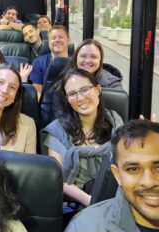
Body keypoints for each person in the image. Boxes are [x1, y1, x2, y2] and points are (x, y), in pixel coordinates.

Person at [41, 68, 123, 207]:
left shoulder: (117, 123)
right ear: (67, 99)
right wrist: (91, 202)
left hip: (118, 199)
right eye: (72, 94)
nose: (80, 98)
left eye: (85, 89)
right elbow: (59, 179)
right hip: (75, 205)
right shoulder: (57, 131)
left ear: (97, 89)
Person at [29, 25, 71, 99]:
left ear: (68, 40)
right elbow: (38, 93)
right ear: (48, 42)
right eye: (53, 38)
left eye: (61, 37)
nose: (57, 40)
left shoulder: (76, 62)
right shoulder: (38, 62)